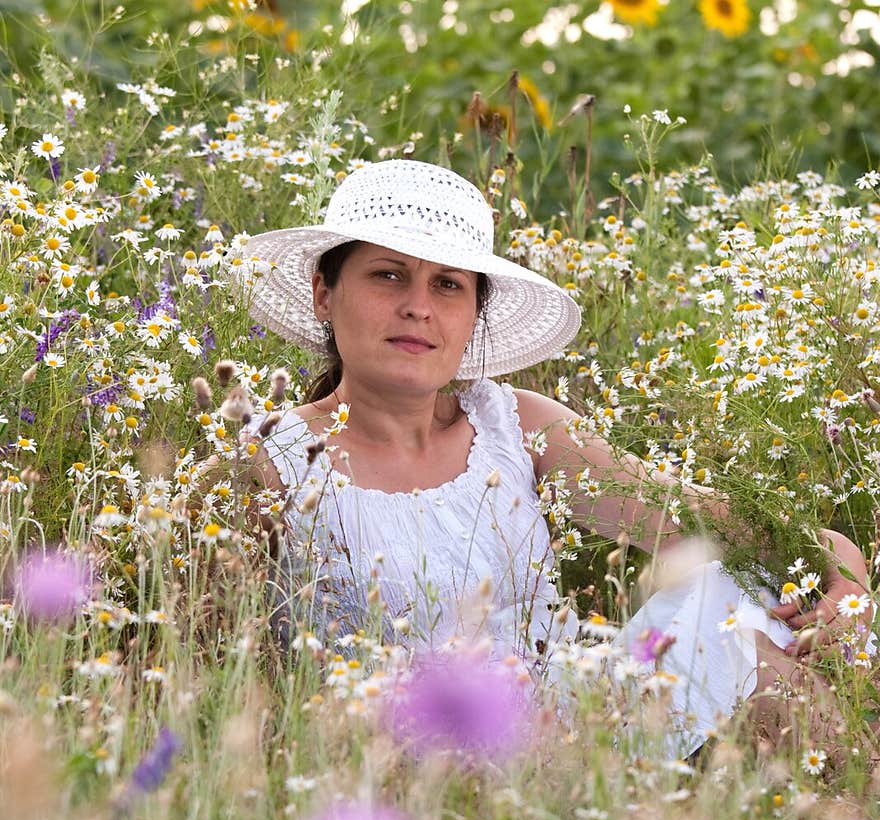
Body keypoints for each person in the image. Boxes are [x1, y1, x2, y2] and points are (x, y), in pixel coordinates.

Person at [226, 159, 872, 758]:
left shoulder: (513, 426)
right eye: (387, 274)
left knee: (740, 614)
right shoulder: (268, 462)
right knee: (742, 650)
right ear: (323, 294)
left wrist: (843, 572)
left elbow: (724, 530)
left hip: (569, 729)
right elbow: (215, 672)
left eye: (447, 284)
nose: (418, 305)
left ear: (473, 314)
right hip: (398, 760)